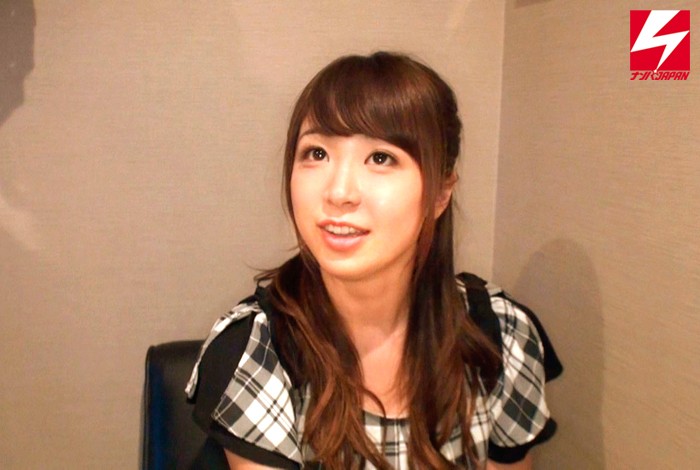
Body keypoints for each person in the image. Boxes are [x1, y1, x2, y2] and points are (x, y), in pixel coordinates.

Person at [185, 51, 562, 469]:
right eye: (317, 154)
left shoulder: (500, 335)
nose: (339, 193)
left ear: (441, 193)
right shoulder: (257, 350)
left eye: (381, 158)